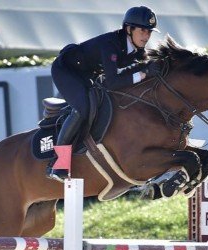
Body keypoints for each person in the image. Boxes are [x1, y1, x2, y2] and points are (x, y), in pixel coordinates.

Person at [47, 5, 162, 180]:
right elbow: (113, 81)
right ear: (129, 29)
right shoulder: (111, 45)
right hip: (66, 70)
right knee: (82, 109)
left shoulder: (138, 49)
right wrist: (142, 74)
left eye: (149, 32)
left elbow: (131, 72)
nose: (146, 36)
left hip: (86, 74)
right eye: (143, 31)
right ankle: (58, 163)